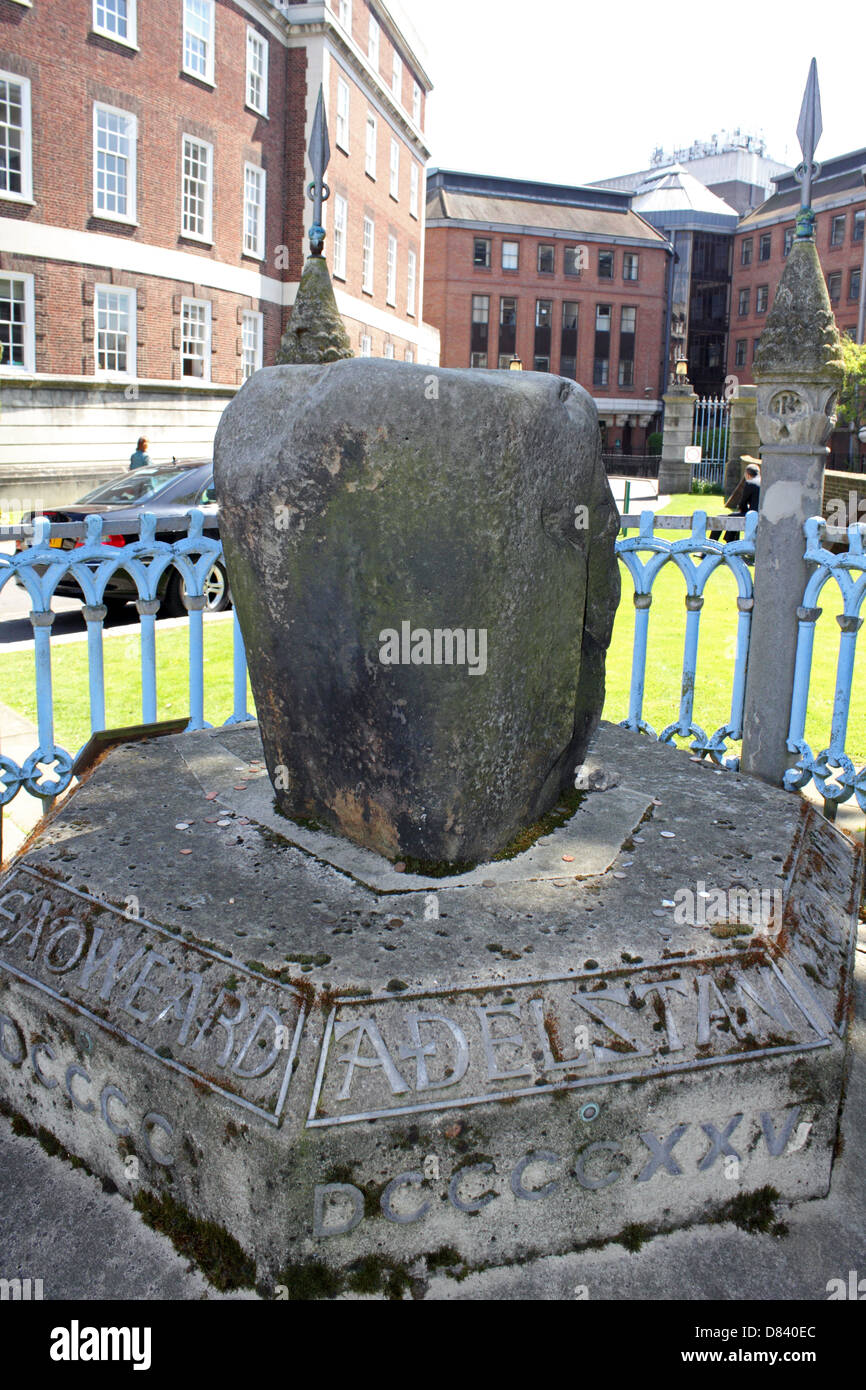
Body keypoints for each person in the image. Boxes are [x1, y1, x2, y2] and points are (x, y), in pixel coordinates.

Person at [708, 455, 761, 542]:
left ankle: (716, 544)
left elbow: (742, 503)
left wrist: (742, 510)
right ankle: (730, 540)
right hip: (757, 515)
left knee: (724, 518)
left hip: (752, 516)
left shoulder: (750, 483)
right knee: (728, 516)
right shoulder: (761, 483)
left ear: (747, 475)